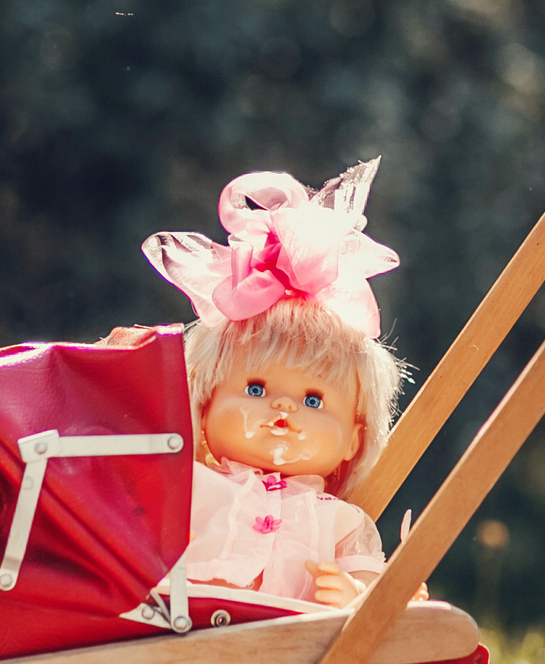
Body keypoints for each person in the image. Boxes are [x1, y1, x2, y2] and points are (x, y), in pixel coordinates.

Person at [142, 161, 406, 608]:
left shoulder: (339, 523)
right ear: (204, 405)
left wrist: (354, 594)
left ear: (352, 440)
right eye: (256, 390)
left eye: (313, 399)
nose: (283, 407)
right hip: (181, 644)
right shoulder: (191, 488)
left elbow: (370, 591)